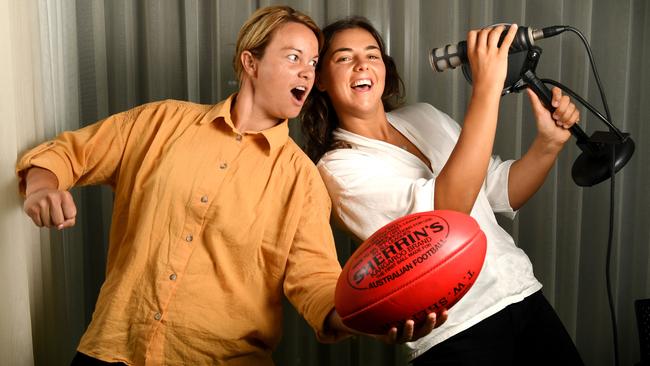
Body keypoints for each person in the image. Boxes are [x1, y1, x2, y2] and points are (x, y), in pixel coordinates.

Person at [16, 6, 436, 365]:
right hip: (111, 353)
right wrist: (41, 189)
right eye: (294, 57)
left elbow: (317, 283)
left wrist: (372, 315)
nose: (307, 73)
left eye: (312, 63)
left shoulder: (301, 179)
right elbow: (65, 154)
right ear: (249, 63)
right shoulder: (160, 122)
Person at [301, 16, 585, 365]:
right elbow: (447, 214)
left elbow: (500, 190)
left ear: (385, 69)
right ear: (322, 81)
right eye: (343, 58)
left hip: (523, 295)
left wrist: (548, 144)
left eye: (372, 54)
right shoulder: (338, 168)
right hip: (460, 334)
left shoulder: (423, 116)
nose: (362, 64)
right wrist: (486, 89)